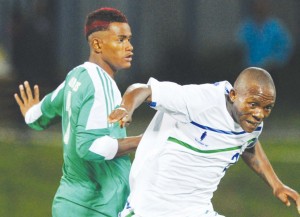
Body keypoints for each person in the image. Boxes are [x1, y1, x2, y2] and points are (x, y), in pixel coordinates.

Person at [108, 67, 300, 217]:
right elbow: (142, 89)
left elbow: (249, 146)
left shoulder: (250, 123)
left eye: (268, 107)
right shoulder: (199, 102)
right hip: (150, 210)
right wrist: (126, 107)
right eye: (253, 104)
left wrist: (276, 184)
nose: (259, 114)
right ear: (233, 95)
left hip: (198, 210)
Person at [14, 7, 141, 217]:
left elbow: (43, 111)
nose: (130, 47)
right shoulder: (100, 84)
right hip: (97, 207)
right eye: (121, 40)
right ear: (97, 44)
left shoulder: (75, 76)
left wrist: (30, 114)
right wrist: (141, 141)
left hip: (68, 203)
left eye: (129, 39)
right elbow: (90, 147)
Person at [237, 0, 292, 70]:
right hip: (251, 73)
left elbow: (286, 47)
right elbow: (240, 50)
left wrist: (274, 61)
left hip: (273, 71)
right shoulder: (246, 28)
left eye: (263, 3)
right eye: (257, 3)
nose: (260, 6)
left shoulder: (275, 27)